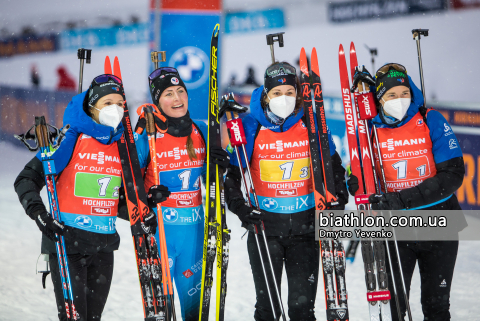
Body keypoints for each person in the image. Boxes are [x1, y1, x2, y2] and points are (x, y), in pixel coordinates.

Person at [14, 74, 157, 320]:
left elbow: (113, 202)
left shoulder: (121, 145)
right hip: (68, 244)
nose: (116, 109)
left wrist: (145, 208)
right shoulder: (70, 139)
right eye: (108, 103)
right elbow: (26, 180)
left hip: (103, 249)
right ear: (92, 108)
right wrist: (40, 215)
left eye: (120, 104)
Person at [224, 61, 349, 320]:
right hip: (265, 231)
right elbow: (232, 179)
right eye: (277, 93)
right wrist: (242, 210)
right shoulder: (251, 126)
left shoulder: (311, 124)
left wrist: (338, 198)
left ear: (298, 94)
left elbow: (335, 169)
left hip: (306, 231)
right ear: (266, 95)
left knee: (302, 310)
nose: (284, 99)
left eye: (290, 92)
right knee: (269, 309)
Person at [349, 63, 467, 321]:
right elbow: (359, 176)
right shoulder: (369, 129)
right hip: (395, 229)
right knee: (395, 308)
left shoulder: (429, 119)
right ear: (379, 99)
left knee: (437, 307)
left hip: (441, 224)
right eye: (391, 95)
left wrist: (400, 200)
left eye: (404, 93)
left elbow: (452, 175)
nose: (399, 100)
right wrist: (355, 182)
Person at [134, 67, 230, 321]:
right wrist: (148, 196)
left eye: (180, 91)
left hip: (195, 233)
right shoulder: (148, 136)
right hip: (160, 232)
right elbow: (129, 187)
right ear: (157, 101)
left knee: (195, 313)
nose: (177, 99)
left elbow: (216, 183)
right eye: (168, 94)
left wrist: (219, 166)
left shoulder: (201, 130)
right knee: (162, 313)